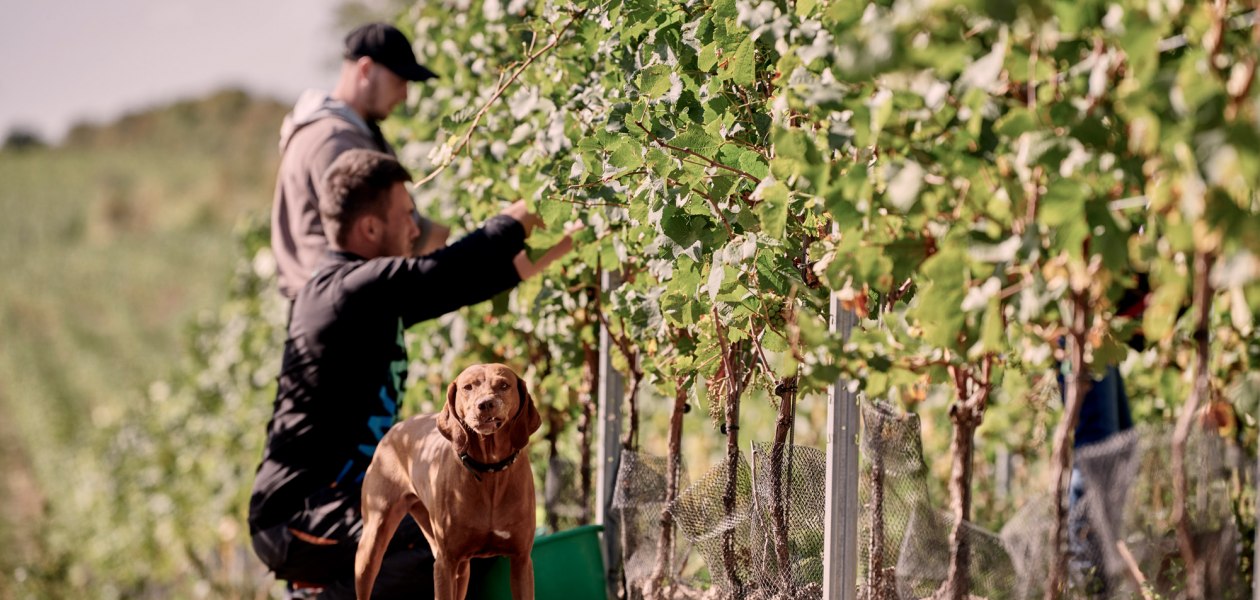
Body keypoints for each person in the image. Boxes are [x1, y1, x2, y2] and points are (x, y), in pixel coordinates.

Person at [249, 148, 576, 598]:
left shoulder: (369, 299)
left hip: (345, 498)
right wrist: (551, 195)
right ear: (370, 228)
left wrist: (577, 237)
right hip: (299, 513)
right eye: (407, 213)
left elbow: (477, 280)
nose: (416, 228)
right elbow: (451, 270)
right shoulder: (346, 292)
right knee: (452, 539)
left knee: (472, 539)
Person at [271, 22, 451, 299]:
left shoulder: (350, 132)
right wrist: (482, 247)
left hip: (341, 300)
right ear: (365, 70)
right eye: (399, 81)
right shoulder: (333, 142)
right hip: (338, 305)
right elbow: (390, 232)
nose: (405, 94)